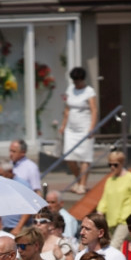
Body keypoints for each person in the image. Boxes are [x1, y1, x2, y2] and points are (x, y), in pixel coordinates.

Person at [59, 67, 99, 195]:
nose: (76, 83)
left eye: (78, 81)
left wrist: (92, 127)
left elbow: (94, 110)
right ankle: (77, 179)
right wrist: (63, 125)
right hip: (71, 129)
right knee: (69, 156)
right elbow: (67, 109)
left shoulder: (89, 91)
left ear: (83, 79)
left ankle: (82, 184)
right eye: (74, 81)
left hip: (84, 128)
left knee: (84, 157)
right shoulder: (70, 89)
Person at [96, 150, 131, 248]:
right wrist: (100, 212)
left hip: (125, 219)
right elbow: (105, 198)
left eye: (115, 165)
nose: (112, 167)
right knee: (117, 247)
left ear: (122, 163)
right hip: (111, 220)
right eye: (110, 165)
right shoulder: (109, 180)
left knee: (114, 246)